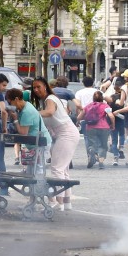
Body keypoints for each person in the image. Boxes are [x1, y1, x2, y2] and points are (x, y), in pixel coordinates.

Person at [33, 77, 81, 211]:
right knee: (63, 170)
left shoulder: (50, 99)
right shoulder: (48, 100)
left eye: (39, 87)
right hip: (64, 134)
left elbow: (49, 112)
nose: (36, 90)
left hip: (67, 134)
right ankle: (66, 203)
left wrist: (33, 114)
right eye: (34, 88)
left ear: (46, 87)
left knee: (57, 169)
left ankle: (57, 203)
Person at [82, 90, 114, 169]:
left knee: (92, 143)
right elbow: (111, 116)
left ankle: (92, 151)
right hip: (104, 127)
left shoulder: (88, 106)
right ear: (102, 98)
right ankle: (101, 161)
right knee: (103, 145)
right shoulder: (105, 106)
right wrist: (113, 125)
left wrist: (77, 122)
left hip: (90, 127)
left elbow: (80, 116)